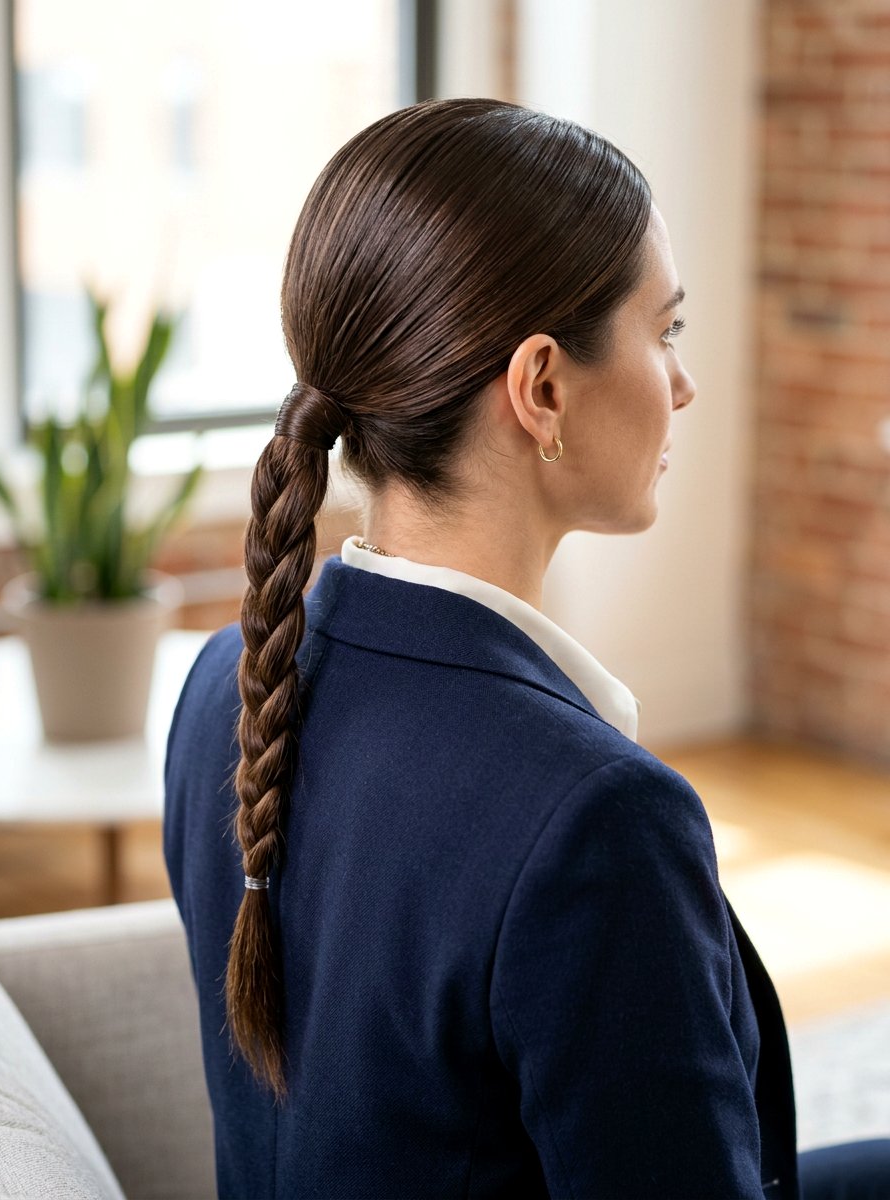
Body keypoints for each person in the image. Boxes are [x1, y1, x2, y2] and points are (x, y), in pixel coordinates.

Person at [164, 98, 889, 1199]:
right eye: (666, 333)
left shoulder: (222, 686)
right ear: (541, 387)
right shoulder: (594, 822)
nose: (682, 384)